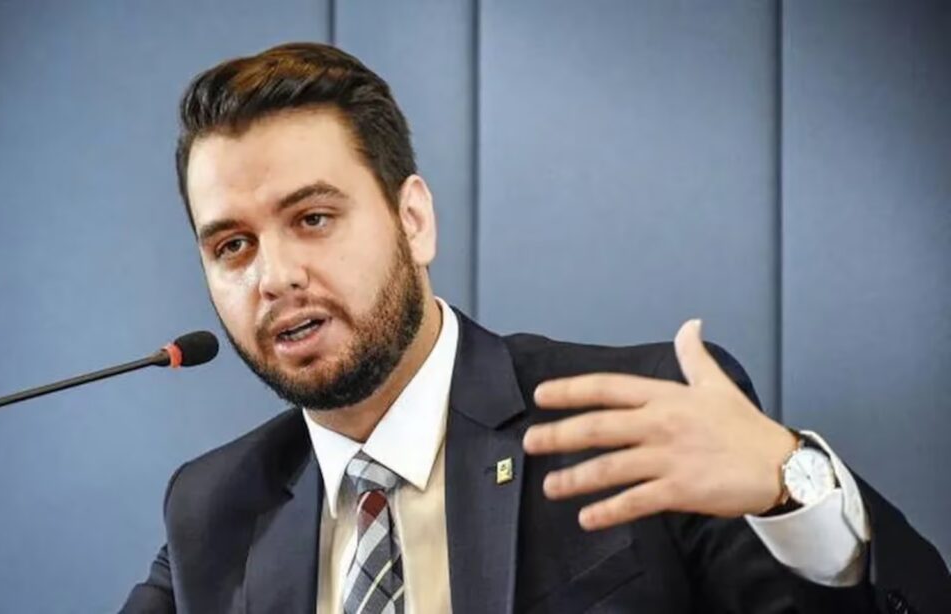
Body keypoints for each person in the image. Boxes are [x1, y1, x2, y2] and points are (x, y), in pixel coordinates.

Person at [121, 42, 949, 614]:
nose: (273, 276)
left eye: (313, 218)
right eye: (232, 246)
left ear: (414, 222)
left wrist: (788, 486)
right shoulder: (215, 506)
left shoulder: (637, 421)